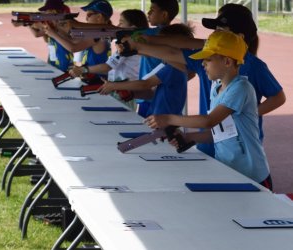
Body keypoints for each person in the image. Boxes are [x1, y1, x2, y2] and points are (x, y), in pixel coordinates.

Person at [122, 3, 286, 157]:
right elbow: (181, 46)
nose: (213, 34)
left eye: (220, 30)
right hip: (209, 141)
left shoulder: (253, 68)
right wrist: (142, 45)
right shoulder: (209, 59)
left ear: (239, 37)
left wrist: (251, 113)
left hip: (241, 149)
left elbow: (278, 97)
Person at [145, 30, 273, 190]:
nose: (203, 64)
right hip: (230, 170)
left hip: (253, 175)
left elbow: (209, 121)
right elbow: (221, 133)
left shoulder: (241, 88)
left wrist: (169, 119)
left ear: (227, 62)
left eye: (208, 59)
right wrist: (187, 137)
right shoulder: (216, 88)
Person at [98, 24, 193, 117]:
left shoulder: (172, 68)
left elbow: (145, 84)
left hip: (163, 121)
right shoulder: (168, 65)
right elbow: (152, 93)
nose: (156, 47)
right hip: (159, 118)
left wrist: (114, 85)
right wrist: (131, 94)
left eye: (160, 44)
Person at [44, 0, 113, 78]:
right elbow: (72, 41)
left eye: (89, 15)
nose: (86, 18)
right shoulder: (101, 33)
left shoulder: (97, 34)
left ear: (99, 17)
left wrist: (53, 34)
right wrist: (57, 28)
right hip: (93, 78)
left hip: (96, 80)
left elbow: (73, 48)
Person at [135, 0, 179, 117]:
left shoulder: (151, 34)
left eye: (152, 10)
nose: (148, 13)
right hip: (165, 94)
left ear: (164, 15)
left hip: (149, 94)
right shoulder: (175, 35)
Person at [12, 0, 74, 71]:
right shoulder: (53, 24)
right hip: (54, 58)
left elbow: (38, 34)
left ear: (54, 12)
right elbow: (42, 36)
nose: (45, 13)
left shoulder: (61, 25)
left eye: (47, 11)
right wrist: (27, 23)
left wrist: (27, 22)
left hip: (63, 60)